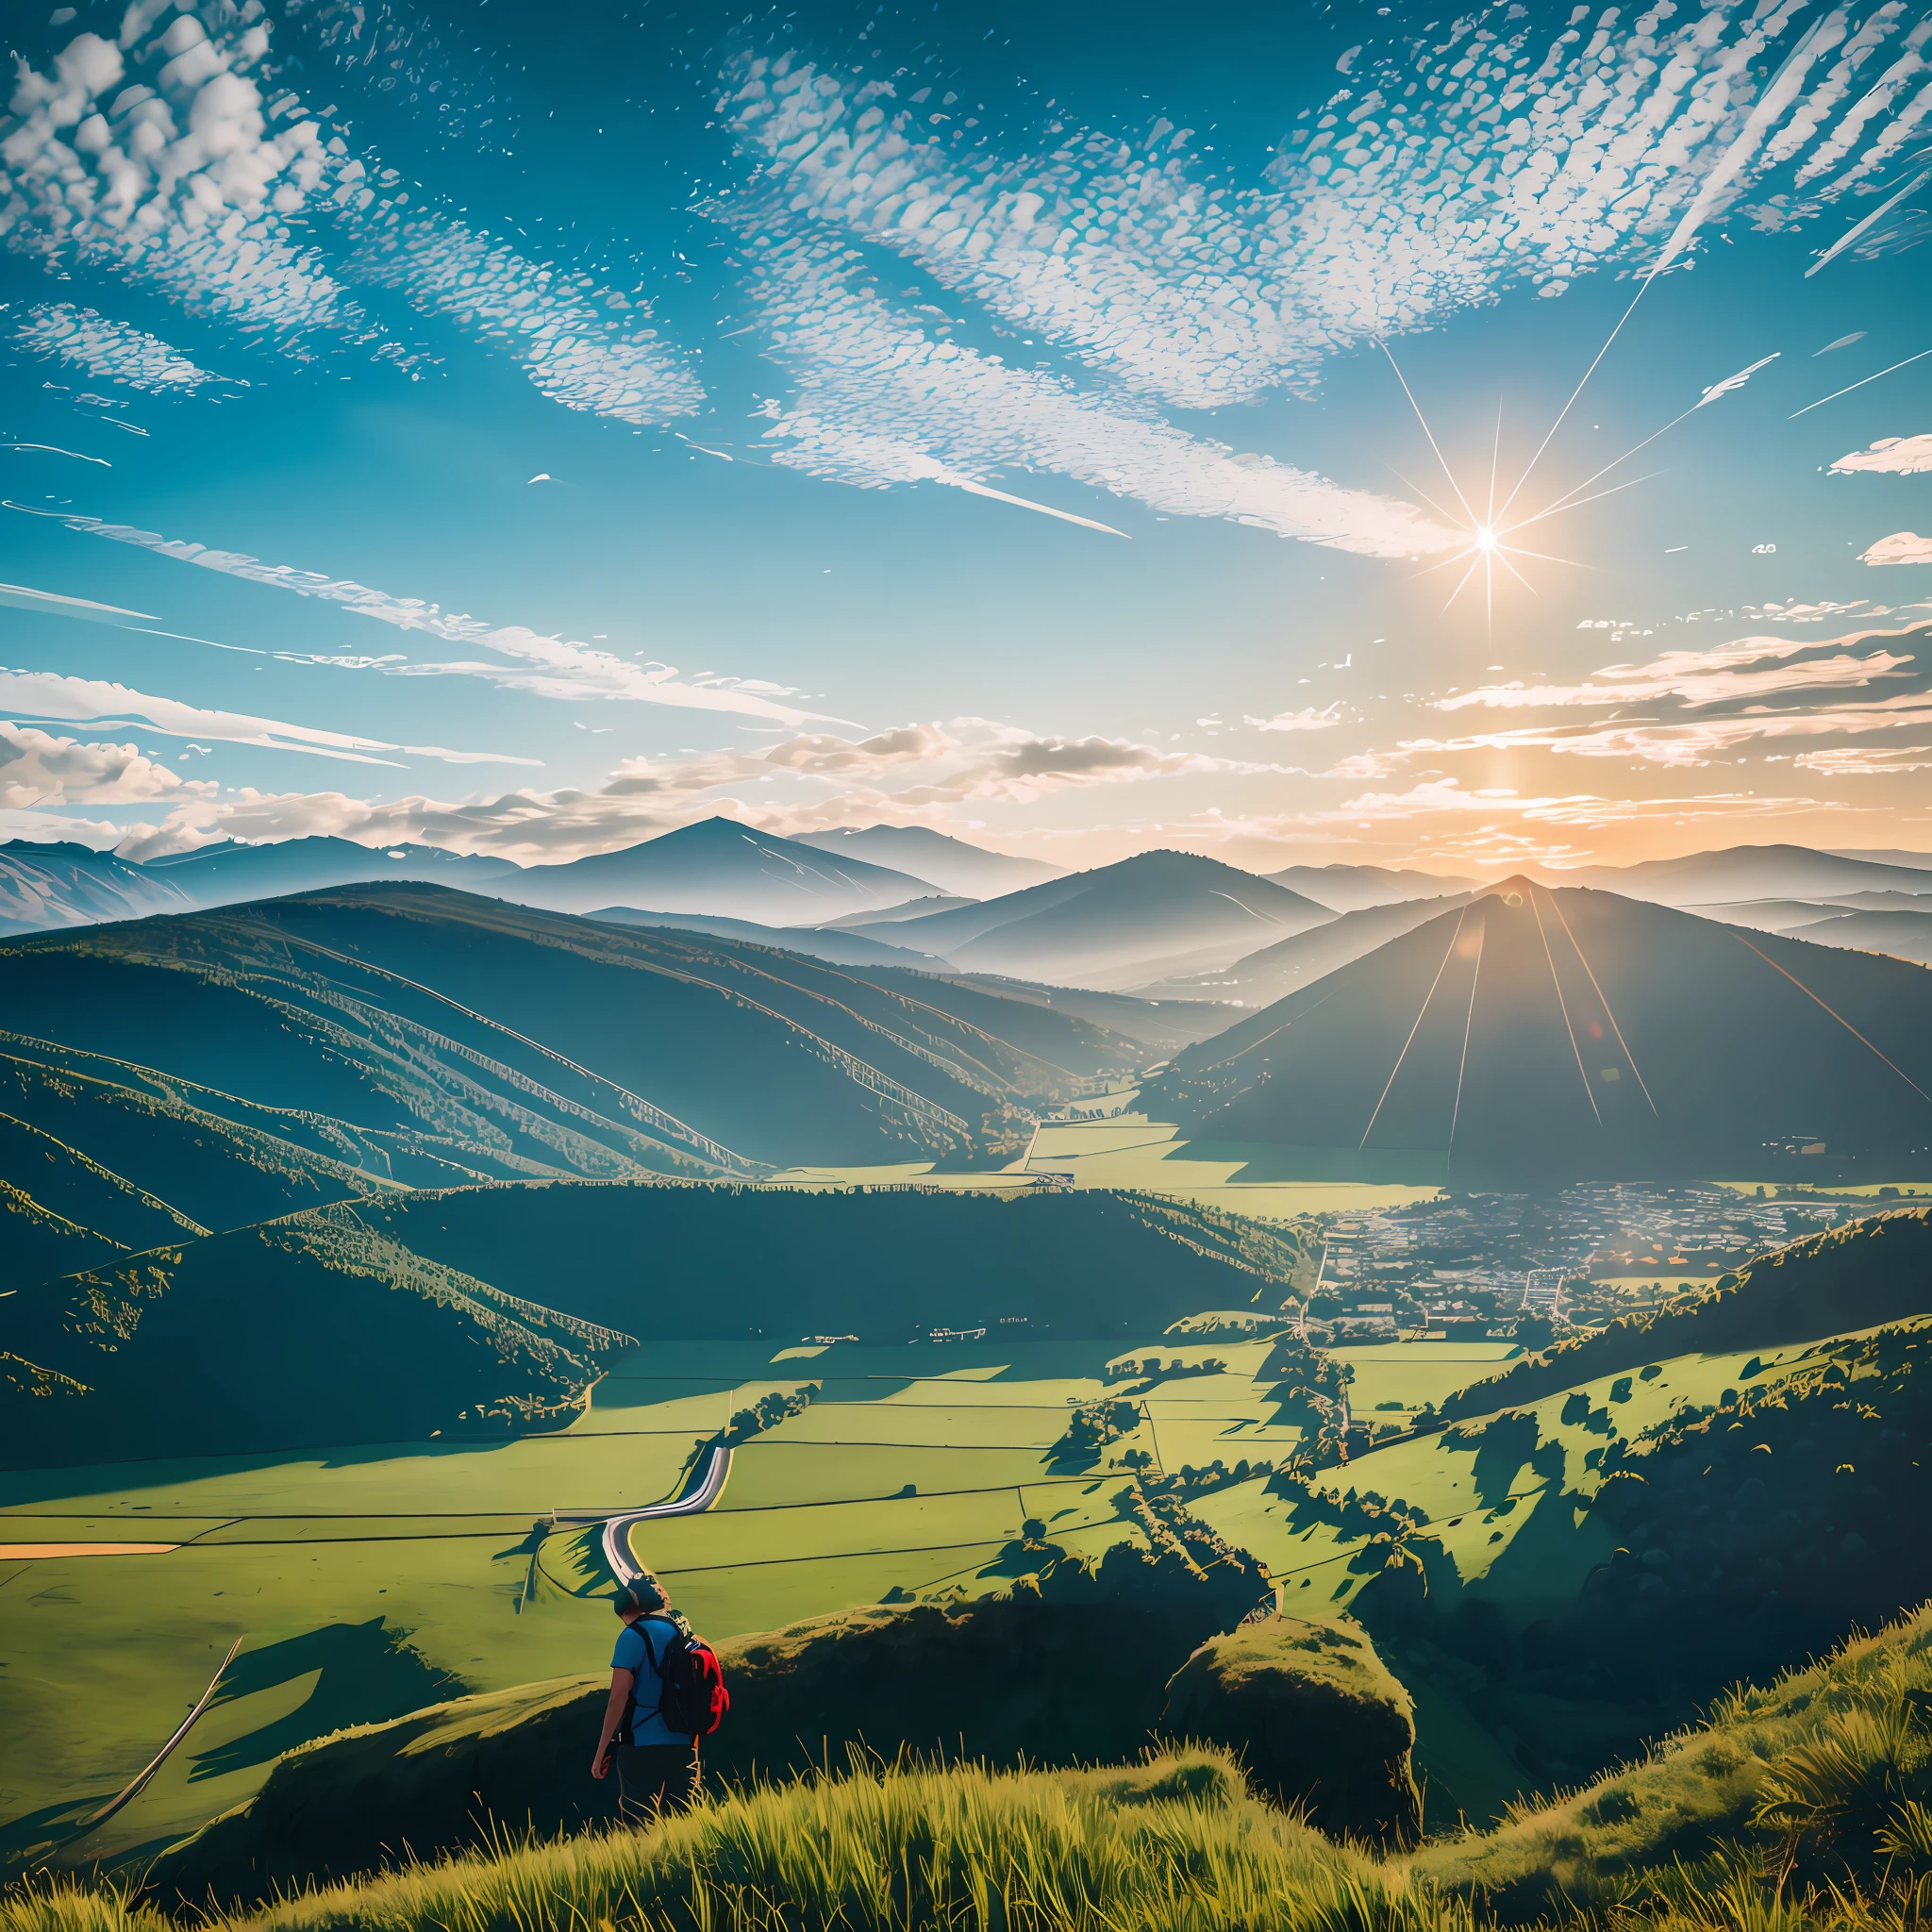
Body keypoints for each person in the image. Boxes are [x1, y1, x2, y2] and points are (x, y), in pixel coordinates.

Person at [591, 1574, 700, 1822]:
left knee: (639, 1822)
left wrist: (601, 1753)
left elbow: (618, 1698)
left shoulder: (632, 1636)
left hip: (641, 1743)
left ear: (626, 1612)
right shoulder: (683, 1631)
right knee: (686, 1819)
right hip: (683, 1740)